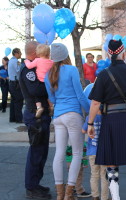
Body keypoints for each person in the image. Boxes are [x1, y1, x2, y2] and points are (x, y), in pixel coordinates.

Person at [87, 39, 126, 200]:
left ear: (109, 54)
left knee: (111, 160)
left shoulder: (103, 75)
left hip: (111, 120)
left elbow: (95, 103)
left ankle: (115, 197)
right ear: (122, 53)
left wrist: (90, 123)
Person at [44, 43, 87, 200]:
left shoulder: (48, 75)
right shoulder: (72, 70)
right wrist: (91, 111)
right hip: (73, 114)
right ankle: (69, 192)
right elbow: (80, 95)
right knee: (77, 153)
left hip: (58, 116)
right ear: (66, 55)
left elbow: (53, 99)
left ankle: (60, 194)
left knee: (59, 154)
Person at [19, 41, 52, 199]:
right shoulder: (28, 70)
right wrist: (51, 84)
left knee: (42, 152)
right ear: (34, 52)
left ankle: (35, 183)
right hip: (35, 115)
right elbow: (35, 89)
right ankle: (31, 188)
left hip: (40, 114)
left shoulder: (36, 66)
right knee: (36, 152)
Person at [82, 110, 109, 200]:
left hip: (92, 151)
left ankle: (95, 196)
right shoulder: (107, 117)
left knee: (94, 175)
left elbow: (83, 130)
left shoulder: (90, 117)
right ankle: (104, 197)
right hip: (104, 151)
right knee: (104, 175)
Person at [24, 44, 54, 118]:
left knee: (37, 96)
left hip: (40, 81)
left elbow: (29, 66)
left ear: (38, 52)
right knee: (48, 95)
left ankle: (39, 107)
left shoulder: (37, 60)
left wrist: (26, 61)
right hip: (49, 82)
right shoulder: (52, 62)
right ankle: (51, 106)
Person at [8, 48, 24, 123]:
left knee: (14, 101)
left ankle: (12, 118)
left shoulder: (10, 60)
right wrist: (22, 65)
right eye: (20, 52)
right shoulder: (15, 61)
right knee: (19, 100)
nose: (21, 54)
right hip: (15, 83)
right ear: (16, 53)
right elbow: (18, 71)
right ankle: (19, 119)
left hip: (12, 83)